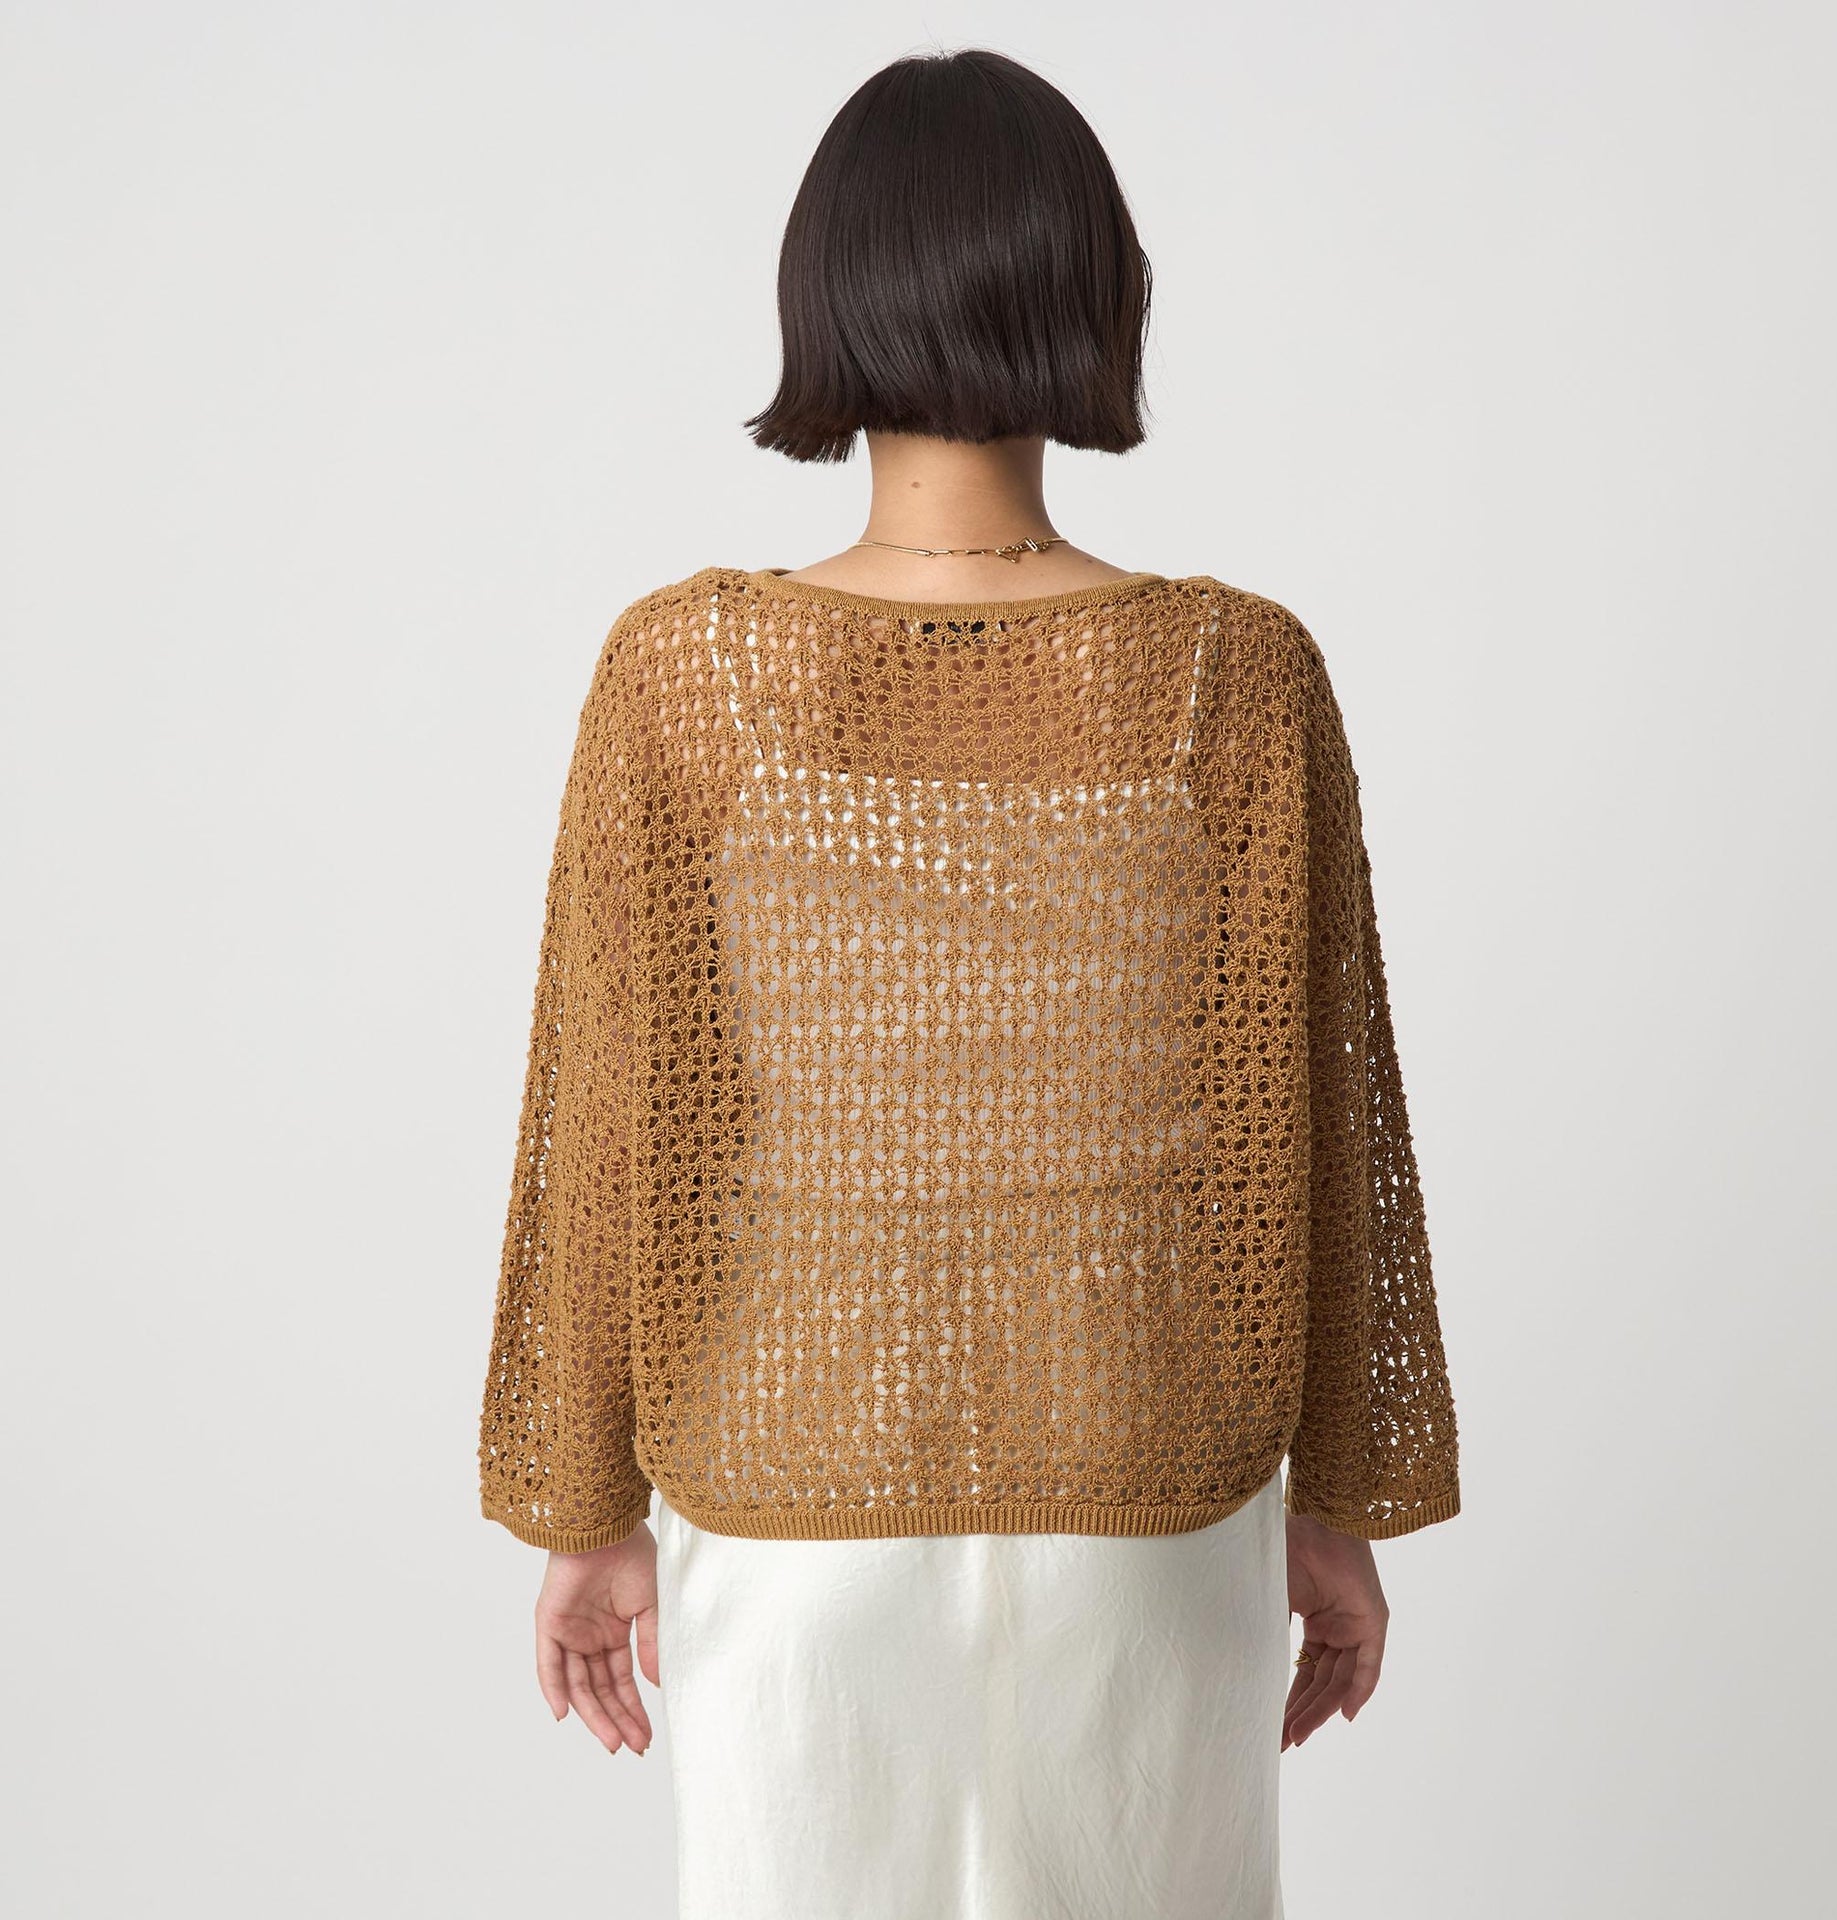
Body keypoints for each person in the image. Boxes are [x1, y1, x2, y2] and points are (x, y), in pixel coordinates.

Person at [476, 45, 1462, 1920]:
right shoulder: (1231, 675)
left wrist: (589, 1511)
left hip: (790, 1485)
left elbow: (614, 1125)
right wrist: (1336, 1501)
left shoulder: (687, 672)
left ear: (827, 297)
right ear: (1098, 295)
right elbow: (1315, 1128)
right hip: (1153, 1487)